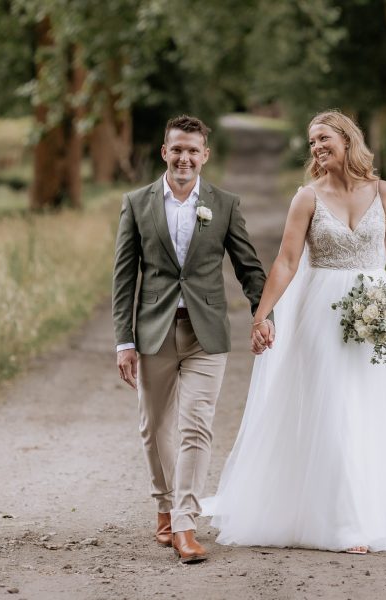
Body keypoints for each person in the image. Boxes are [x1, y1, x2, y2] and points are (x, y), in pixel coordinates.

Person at [203, 110, 386, 553]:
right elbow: (285, 262)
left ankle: (369, 506)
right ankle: (344, 523)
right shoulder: (306, 198)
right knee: (333, 405)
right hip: (320, 312)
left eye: (324, 138)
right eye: (312, 142)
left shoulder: (384, 192)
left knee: (366, 408)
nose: (317, 148)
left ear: (346, 139)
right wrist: (262, 315)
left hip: (373, 314)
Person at [111, 115, 273, 564]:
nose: (185, 158)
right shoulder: (137, 203)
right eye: (177, 149)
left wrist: (264, 315)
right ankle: (164, 505)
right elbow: (124, 278)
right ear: (165, 152)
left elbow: (249, 267)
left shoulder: (223, 204)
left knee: (196, 426)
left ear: (205, 155)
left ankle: (185, 522)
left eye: (193, 151)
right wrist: (124, 341)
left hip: (207, 334)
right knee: (154, 426)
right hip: (153, 332)